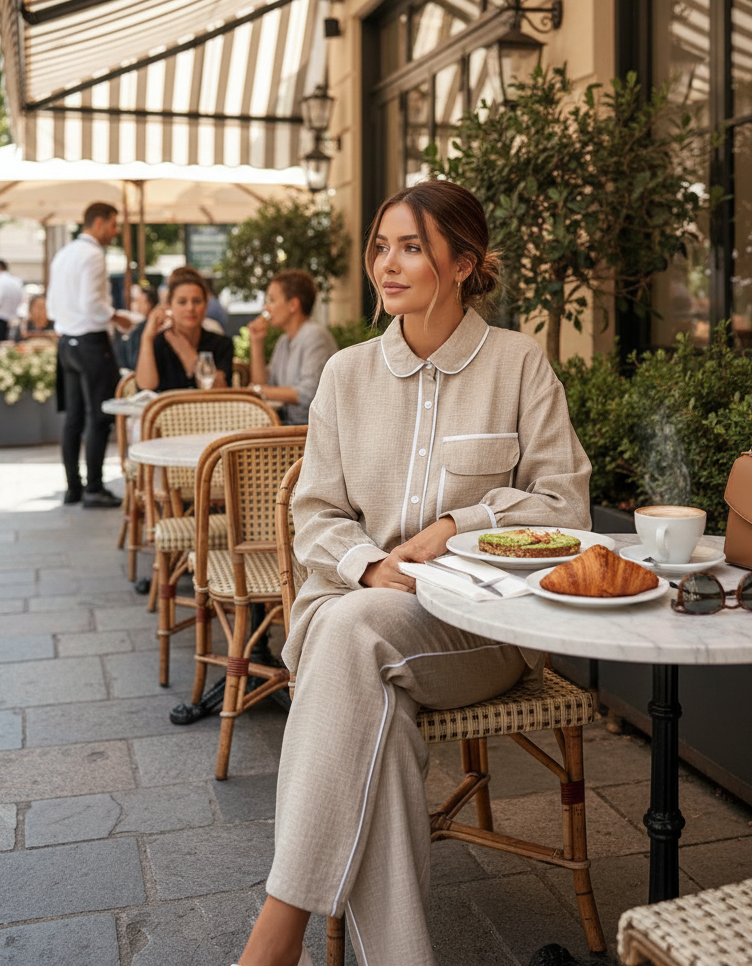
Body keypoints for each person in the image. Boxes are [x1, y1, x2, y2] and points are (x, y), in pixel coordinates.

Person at [230, 180, 591, 966]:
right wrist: (368, 565)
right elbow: (315, 511)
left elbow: (567, 507)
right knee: (374, 708)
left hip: (480, 630)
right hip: (365, 613)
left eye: (411, 247)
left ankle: (276, 931)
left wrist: (461, 525)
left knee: (347, 641)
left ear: (463, 263)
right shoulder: (348, 375)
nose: (387, 266)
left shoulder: (519, 363)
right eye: (381, 247)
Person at [47, 202, 133, 508]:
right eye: (113, 224)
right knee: (99, 417)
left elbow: (51, 307)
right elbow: (92, 304)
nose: (115, 231)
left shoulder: (63, 254)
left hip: (66, 343)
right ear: (98, 223)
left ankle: (74, 488)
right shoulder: (93, 254)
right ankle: (94, 488)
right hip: (91, 343)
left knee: (73, 418)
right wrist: (119, 317)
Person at [246, 270, 338, 424]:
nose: (266, 308)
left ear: (293, 304)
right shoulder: (284, 341)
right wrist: (256, 343)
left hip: (308, 434)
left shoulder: (315, 336)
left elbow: (307, 394)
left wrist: (259, 391)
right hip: (285, 429)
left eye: (272, 300)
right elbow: (264, 384)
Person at [135, 266, 233, 391]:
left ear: (206, 305)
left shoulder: (222, 344)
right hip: (165, 409)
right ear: (169, 306)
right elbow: (146, 387)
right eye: (182, 302)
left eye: (197, 301)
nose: (190, 308)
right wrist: (147, 338)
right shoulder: (158, 343)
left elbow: (217, 389)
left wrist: (184, 350)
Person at [116, 284, 157, 370]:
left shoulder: (147, 327)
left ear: (152, 304)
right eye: (136, 302)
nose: (138, 306)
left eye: (142, 302)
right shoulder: (130, 322)